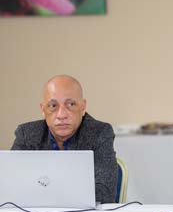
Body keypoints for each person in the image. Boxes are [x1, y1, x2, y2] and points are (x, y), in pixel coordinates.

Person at [11, 75, 117, 204]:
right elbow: (10, 186)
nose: (61, 115)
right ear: (43, 110)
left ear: (83, 107)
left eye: (71, 104)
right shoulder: (27, 134)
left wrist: (43, 193)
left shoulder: (99, 133)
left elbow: (105, 194)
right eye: (53, 106)